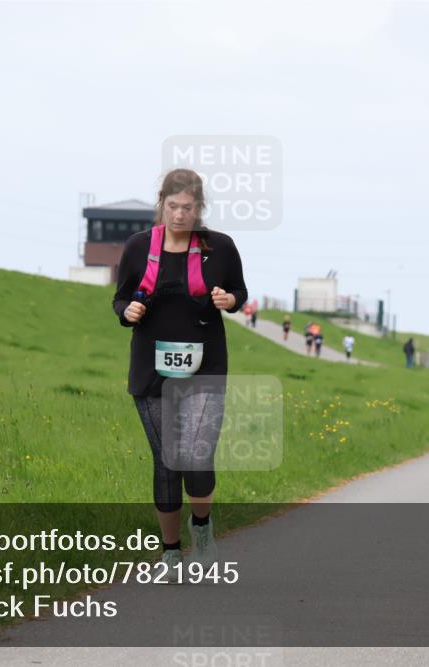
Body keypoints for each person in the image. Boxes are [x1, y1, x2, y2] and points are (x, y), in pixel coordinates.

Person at [113, 168, 247, 583]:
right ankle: (170, 554)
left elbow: (239, 293)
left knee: (196, 457)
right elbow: (121, 298)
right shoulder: (138, 248)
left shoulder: (219, 247)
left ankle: (202, 530)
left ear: (199, 208)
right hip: (152, 370)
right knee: (168, 462)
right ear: (161, 204)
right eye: (172, 207)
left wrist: (229, 299)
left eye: (188, 208)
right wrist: (127, 311)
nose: (180, 215)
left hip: (205, 367)